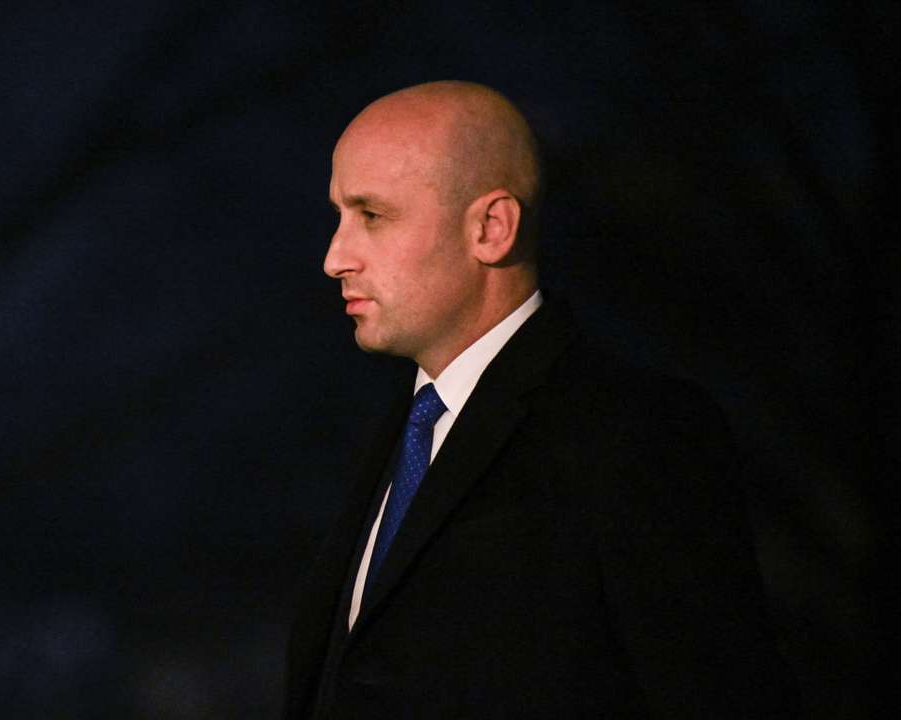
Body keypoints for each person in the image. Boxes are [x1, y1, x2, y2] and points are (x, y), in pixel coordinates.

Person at [284, 81, 798, 719]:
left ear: (492, 227)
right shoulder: (391, 438)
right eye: (338, 215)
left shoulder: (635, 431)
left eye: (372, 215)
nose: (335, 257)